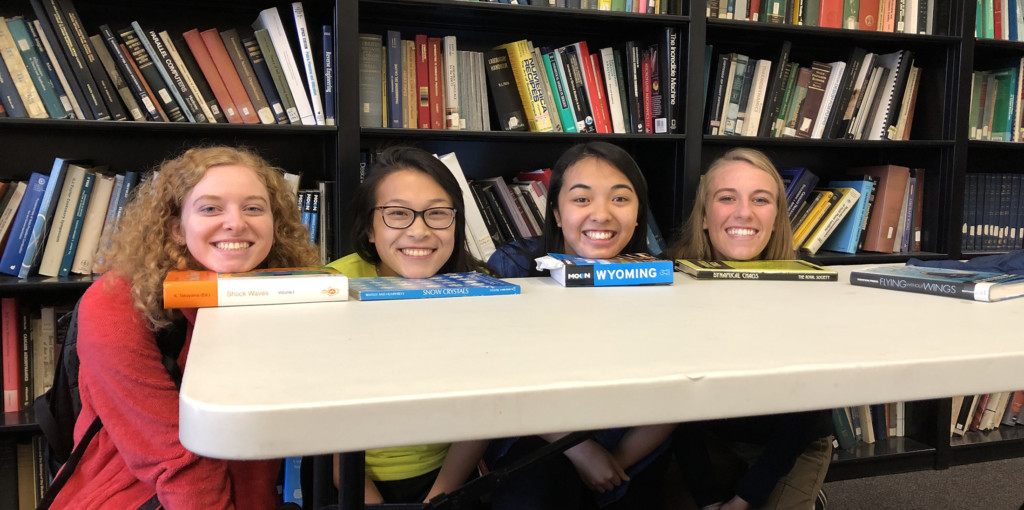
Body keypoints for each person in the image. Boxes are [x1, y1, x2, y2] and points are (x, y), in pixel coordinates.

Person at [49, 146, 320, 509]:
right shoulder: (117, 300)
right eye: (210, 208)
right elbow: (175, 461)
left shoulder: (282, 292)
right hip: (141, 498)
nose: (236, 223)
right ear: (176, 228)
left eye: (254, 208)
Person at [487, 141, 675, 510]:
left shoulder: (657, 275)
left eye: (620, 199)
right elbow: (496, 377)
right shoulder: (513, 266)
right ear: (557, 212)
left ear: (639, 213)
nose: (602, 214)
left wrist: (613, 464)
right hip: (536, 437)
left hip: (632, 444)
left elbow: (678, 391)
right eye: (582, 199)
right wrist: (582, 452)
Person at [667, 147, 833, 510]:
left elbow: (806, 413)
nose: (744, 212)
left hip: (792, 442)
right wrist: (709, 499)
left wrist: (746, 498)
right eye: (727, 198)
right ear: (706, 216)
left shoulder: (808, 282)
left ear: (776, 217)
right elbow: (674, 407)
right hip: (709, 437)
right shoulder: (671, 280)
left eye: (760, 199)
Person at [326, 145, 490, 505]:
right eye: (398, 214)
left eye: (437, 213)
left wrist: (438, 498)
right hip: (349, 477)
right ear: (369, 228)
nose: (419, 230)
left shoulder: (482, 289)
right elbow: (324, 414)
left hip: (447, 477)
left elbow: (486, 410)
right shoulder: (332, 287)